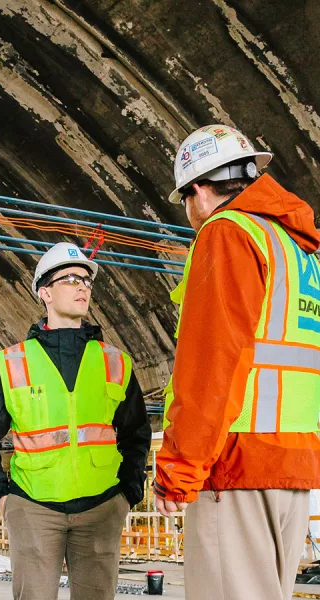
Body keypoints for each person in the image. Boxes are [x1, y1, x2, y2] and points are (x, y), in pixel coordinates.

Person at [154, 124, 320, 600]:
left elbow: (212, 364)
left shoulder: (226, 234)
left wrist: (180, 470)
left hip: (235, 467)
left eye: (185, 200)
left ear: (200, 190)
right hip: (294, 469)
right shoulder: (298, 252)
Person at [0, 242, 151, 600]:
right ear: (45, 292)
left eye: (86, 280)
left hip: (101, 508)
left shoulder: (116, 361)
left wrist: (128, 493)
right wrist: (4, 499)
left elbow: (136, 434)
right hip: (34, 508)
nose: (82, 286)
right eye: (70, 279)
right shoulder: (12, 363)